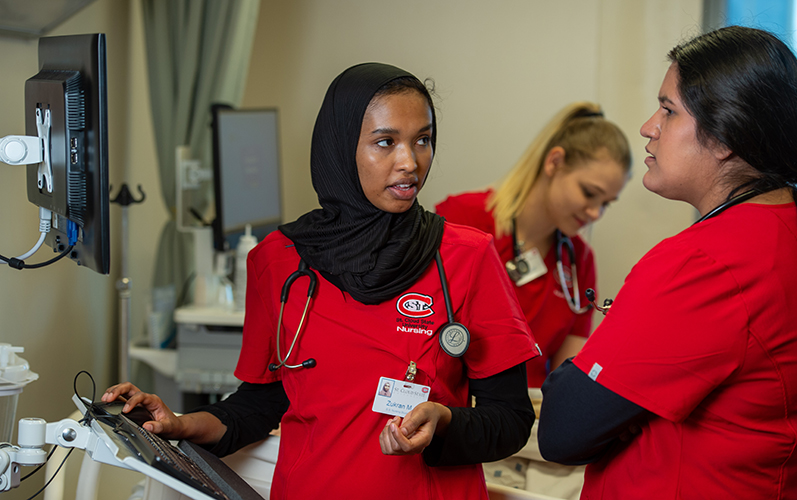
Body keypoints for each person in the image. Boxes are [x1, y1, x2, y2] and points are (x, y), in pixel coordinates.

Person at [104, 63, 539, 500]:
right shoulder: (278, 261)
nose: (410, 162)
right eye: (385, 142)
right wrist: (181, 423)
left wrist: (444, 421)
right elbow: (259, 405)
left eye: (422, 140)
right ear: (340, 147)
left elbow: (511, 419)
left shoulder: (466, 257)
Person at [538, 26, 797, 499]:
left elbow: (563, 429)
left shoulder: (707, 263)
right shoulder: (784, 230)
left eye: (668, 110)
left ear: (725, 135)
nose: (648, 127)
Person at [436, 102, 631, 389]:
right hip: (456, 407)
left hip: (532, 415)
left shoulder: (579, 261)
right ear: (554, 162)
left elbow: (569, 373)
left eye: (606, 204)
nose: (594, 214)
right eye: (590, 193)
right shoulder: (462, 219)